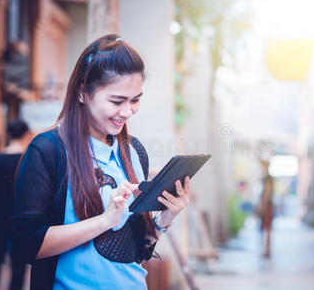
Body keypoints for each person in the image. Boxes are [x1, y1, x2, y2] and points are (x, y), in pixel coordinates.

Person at [12, 34, 191, 290]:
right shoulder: (48, 151)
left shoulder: (134, 152)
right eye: (116, 101)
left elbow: (137, 250)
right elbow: (25, 245)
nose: (127, 112)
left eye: (135, 100)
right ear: (83, 92)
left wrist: (164, 219)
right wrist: (105, 220)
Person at [0, 120, 31, 290]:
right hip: (21, 217)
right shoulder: (28, 159)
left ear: (8, 134)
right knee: (19, 261)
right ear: (26, 135)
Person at [256, 158, 274, 258]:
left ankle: (267, 249)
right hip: (266, 205)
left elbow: (267, 192)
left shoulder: (267, 178)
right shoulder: (267, 177)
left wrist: (262, 206)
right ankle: (266, 249)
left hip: (267, 206)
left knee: (266, 228)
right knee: (265, 228)